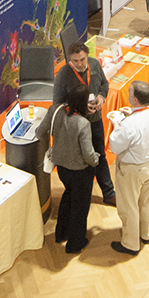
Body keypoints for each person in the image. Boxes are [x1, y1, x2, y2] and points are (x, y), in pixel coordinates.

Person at [107, 80, 149, 256]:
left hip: (134, 169)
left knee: (129, 206)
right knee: (145, 200)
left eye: (130, 93)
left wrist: (116, 125)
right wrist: (131, 114)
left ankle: (130, 243)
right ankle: (145, 233)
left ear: (134, 100)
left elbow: (115, 145)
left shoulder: (130, 125)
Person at [51, 42, 116, 205]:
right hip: (75, 129)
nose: (80, 64)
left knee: (100, 155)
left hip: (95, 122)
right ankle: (81, 195)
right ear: (69, 59)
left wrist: (101, 96)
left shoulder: (94, 64)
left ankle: (109, 193)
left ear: (87, 56)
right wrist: (79, 107)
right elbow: (57, 105)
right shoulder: (63, 75)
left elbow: (104, 84)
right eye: (75, 61)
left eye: (82, 59)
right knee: (81, 161)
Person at [44, 89, 98, 254]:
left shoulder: (57, 112)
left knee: (68, 197)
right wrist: (96, 159)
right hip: (80, 172)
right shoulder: (83, 124)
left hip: (62, 169)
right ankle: (75, 243)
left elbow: (43, 130)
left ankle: (61, 233)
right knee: (80, 207)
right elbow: (88, 154)